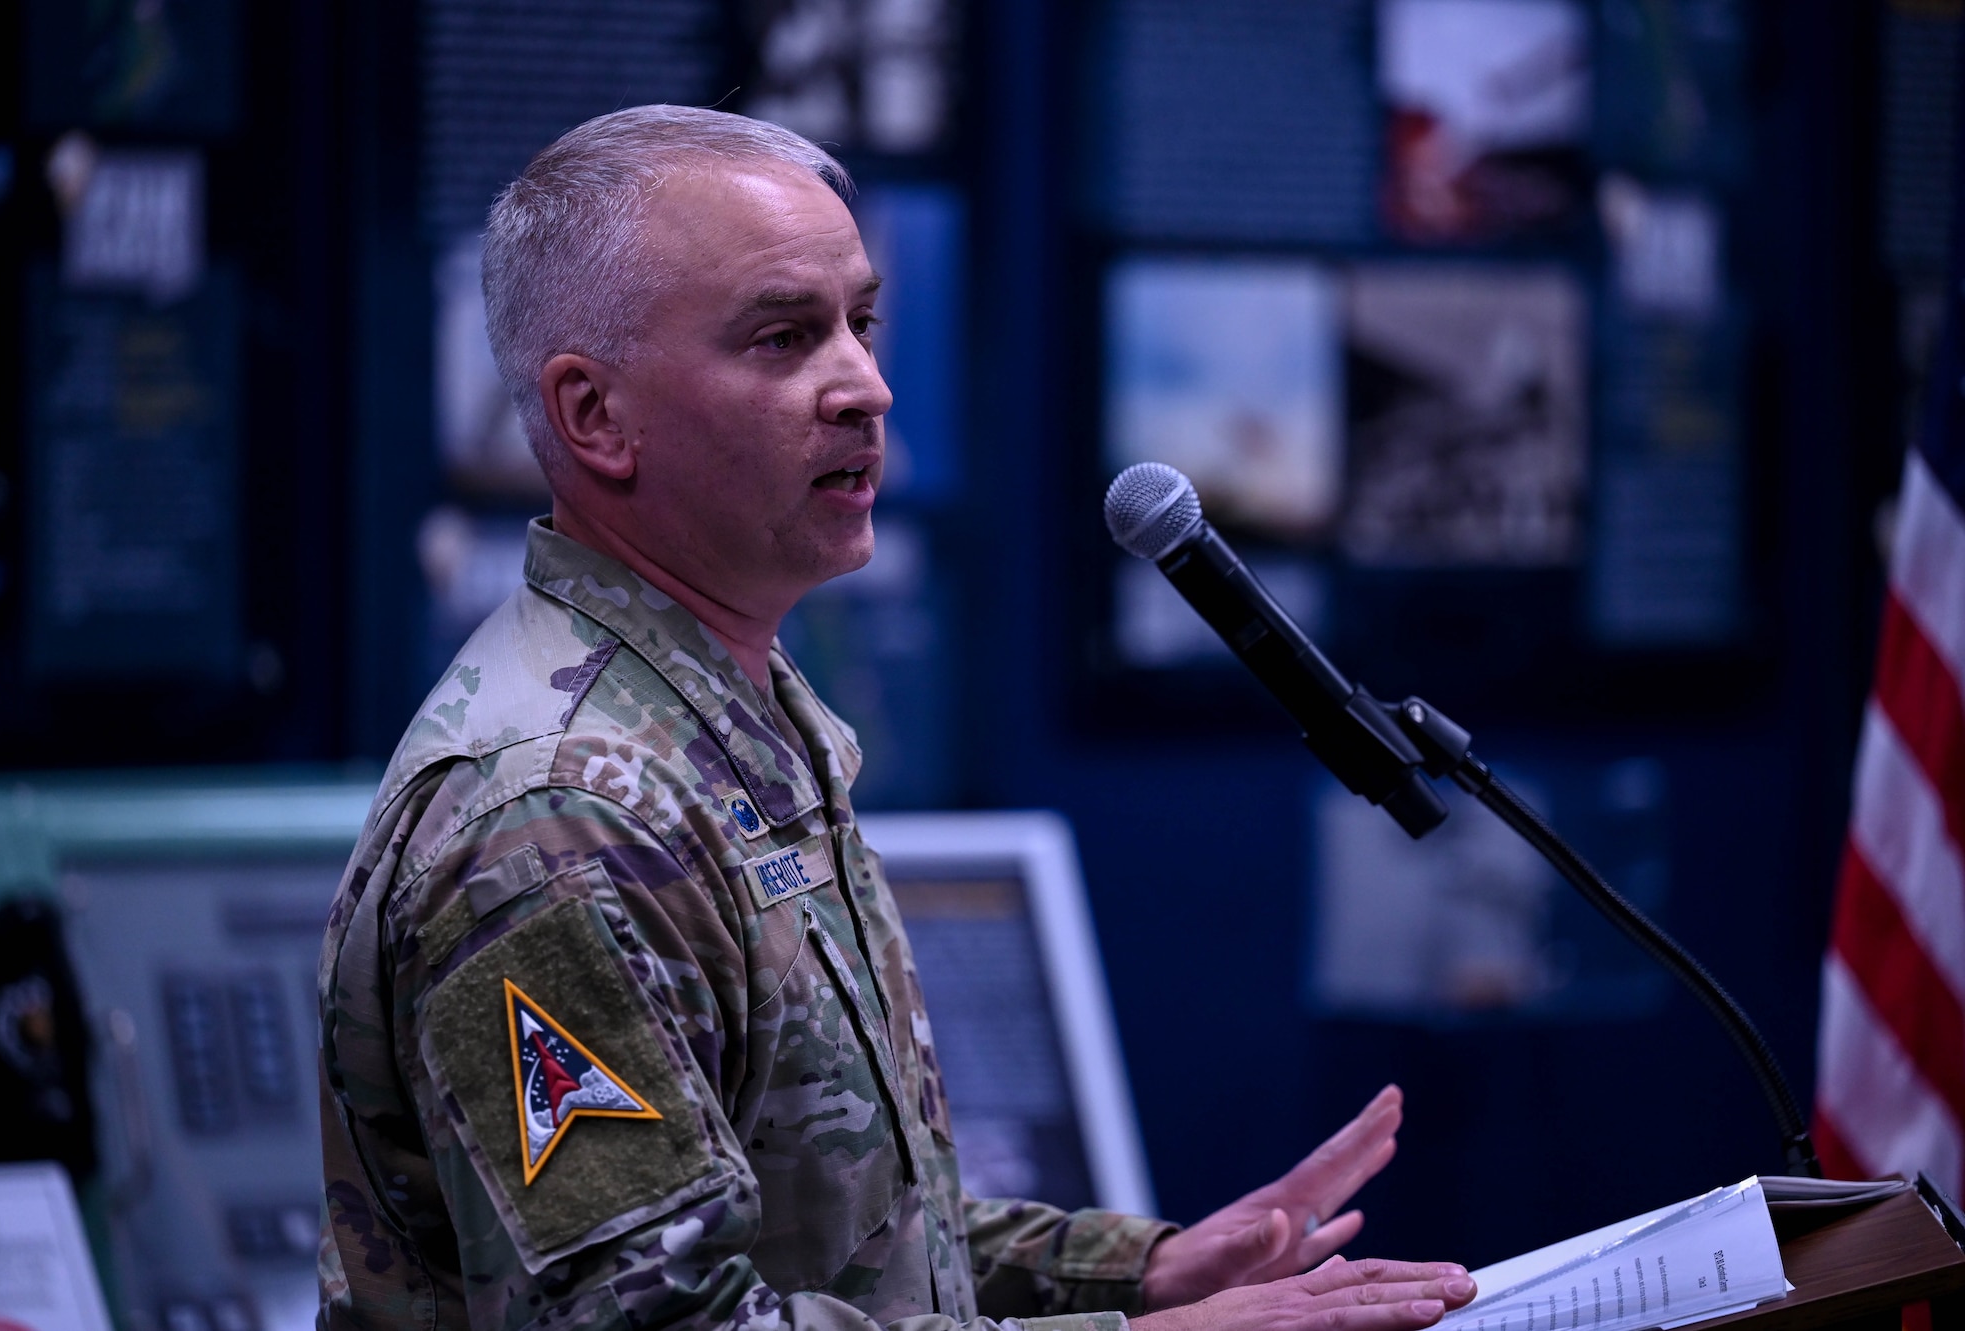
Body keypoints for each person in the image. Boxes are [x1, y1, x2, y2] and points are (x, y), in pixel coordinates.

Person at [316, 105, 1476, 1331]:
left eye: (859, 323)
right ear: (595, 416)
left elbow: (837, 1219)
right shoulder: (561, 815)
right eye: (780, 338)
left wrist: (1135, 1273)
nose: (864, 385)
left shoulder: (723, 712)